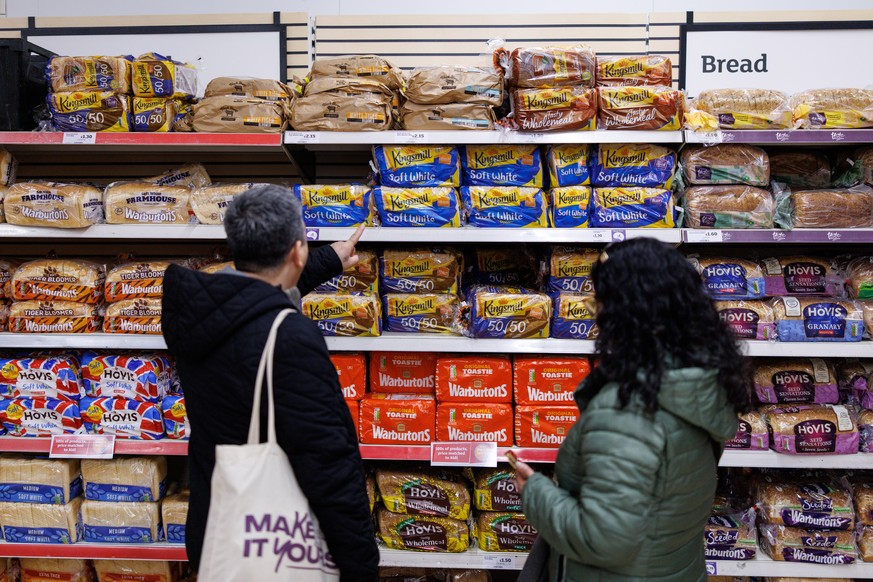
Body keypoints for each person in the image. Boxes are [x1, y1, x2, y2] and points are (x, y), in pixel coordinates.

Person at [161, 185, 379, 581]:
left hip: (218, 531)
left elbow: (251, 300)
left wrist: (328, 259)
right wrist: (361, 566)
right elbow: (329, 464)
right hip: (277, 546)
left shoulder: (196, 316)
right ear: (297, 251)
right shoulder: (291, 338)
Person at [514, 238, 748, 582]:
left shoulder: (629, 411)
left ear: (626, 312)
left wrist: (535, 492)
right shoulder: (699, 383)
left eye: (599, 302)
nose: (596, 315)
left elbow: (603, 540)